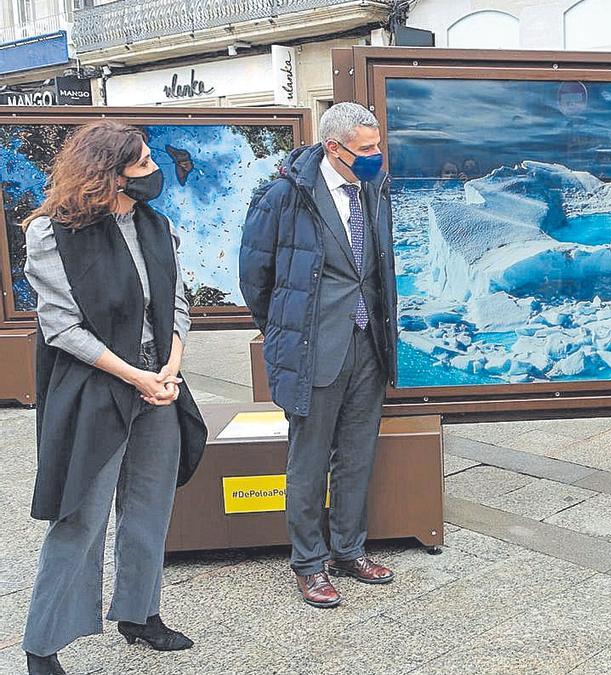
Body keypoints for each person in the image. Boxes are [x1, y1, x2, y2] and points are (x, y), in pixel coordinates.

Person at [20, 120, 207, 675]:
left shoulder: (157, 226)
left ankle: (139, 614)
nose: (155, 172)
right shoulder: (52, 234)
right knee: (80, 515)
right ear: (109, 174)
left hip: (158, 382)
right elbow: (62, 328)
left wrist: (171, 364)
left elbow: (176, 303)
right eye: (143, 164)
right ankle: (43, 644)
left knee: (151, 505)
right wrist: (135, 376)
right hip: (96, 385)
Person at [240, 102, 399, 608]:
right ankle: (309, 564)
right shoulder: (285, 196)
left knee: (356, 456)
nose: (377, 156)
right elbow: (256, 277)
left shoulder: (373, 189)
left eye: (378, 145)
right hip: (313, 349)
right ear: (334, 148)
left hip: (366, 344)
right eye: (367, 149)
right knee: (308, 460)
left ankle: (350, 550)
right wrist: (286, 332)